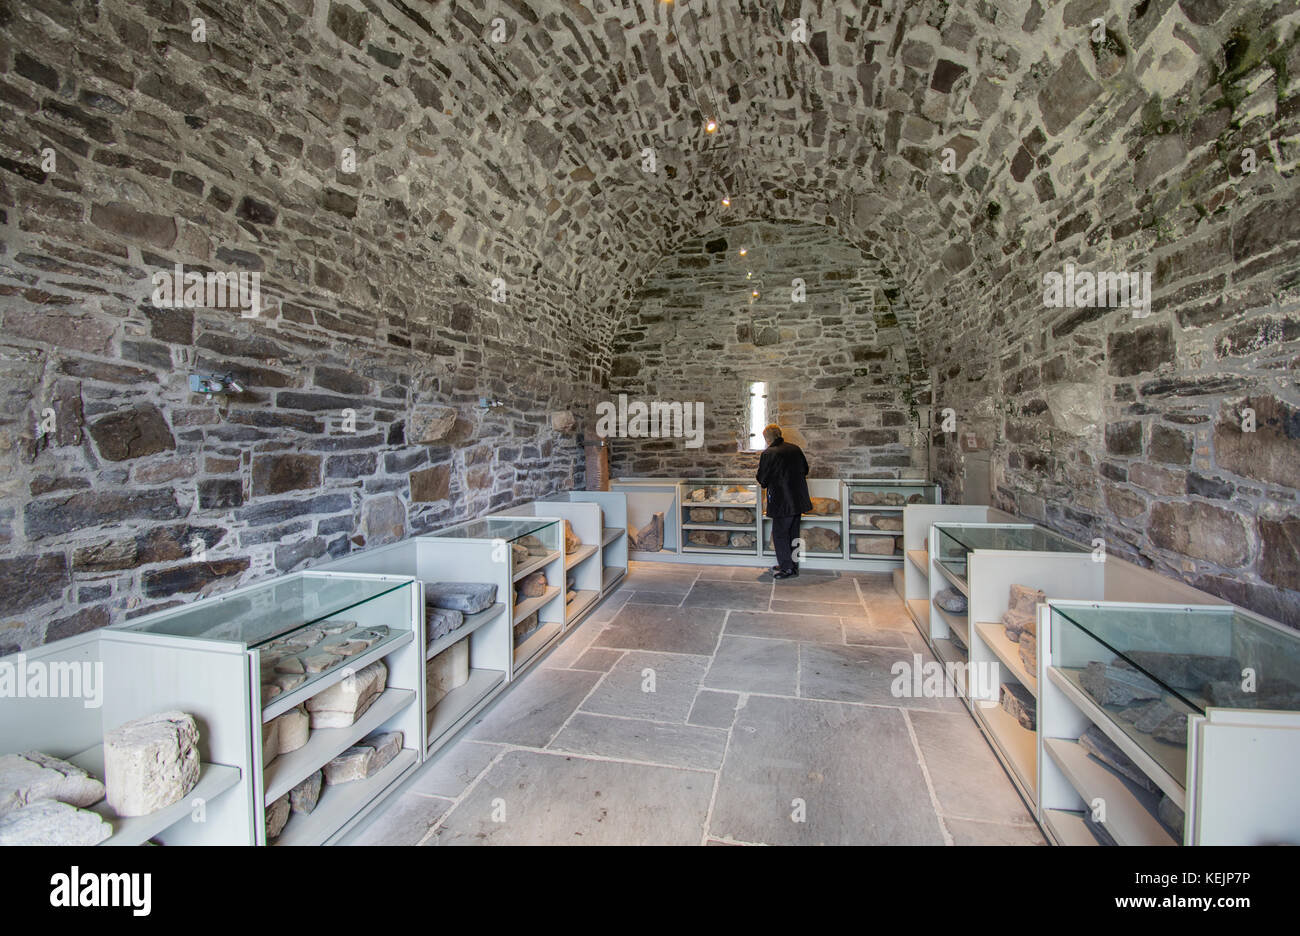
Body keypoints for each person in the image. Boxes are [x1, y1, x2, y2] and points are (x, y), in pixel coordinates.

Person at [756, 423, 811, 579]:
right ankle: (792, 564)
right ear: (779, 434)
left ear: (767, 438)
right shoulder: (795, 449)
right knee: (794, 533)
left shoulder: (769, 453)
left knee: (780, 533)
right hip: (798, 498)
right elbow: (805, 470)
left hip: (782, 500)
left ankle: (787, 568)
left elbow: (763, 479)